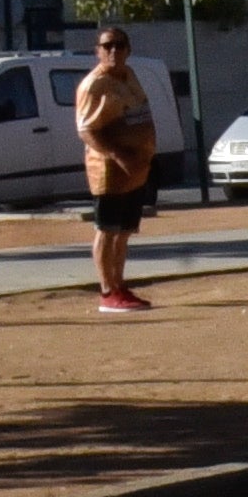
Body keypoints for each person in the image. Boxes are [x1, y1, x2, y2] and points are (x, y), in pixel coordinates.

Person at [75, 26, 157, 313]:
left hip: (136, 170)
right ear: (97, 51)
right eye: (107, 46)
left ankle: (120, 285)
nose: (114, 51)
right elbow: (86, 130)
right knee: (107, 230)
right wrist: (118, 155)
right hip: (108, 170)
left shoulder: (130, 75)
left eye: (119, 45)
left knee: (124, 231)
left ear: (128, 49)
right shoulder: (94, 85)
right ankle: (107, 290)